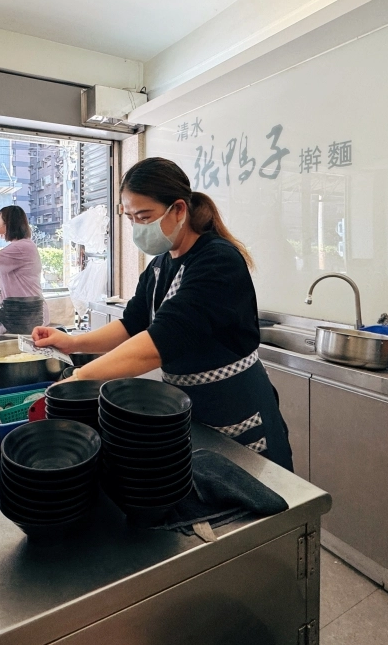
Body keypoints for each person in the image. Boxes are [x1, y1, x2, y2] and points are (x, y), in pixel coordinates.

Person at [33, 157, 292, 470]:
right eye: (130, 218)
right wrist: (72, 343)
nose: (137, 228)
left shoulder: (217, 261)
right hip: (188, 406)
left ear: (179, 210)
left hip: (235, 407)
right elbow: (131, 325)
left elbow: (160, 343)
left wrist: (80, 378)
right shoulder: (159, 265)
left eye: (144, 216)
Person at [0, 205, 47, 326]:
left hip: (27, 313)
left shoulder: (20, 247)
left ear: (8, 223)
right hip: (24, 311)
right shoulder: (23, 245)